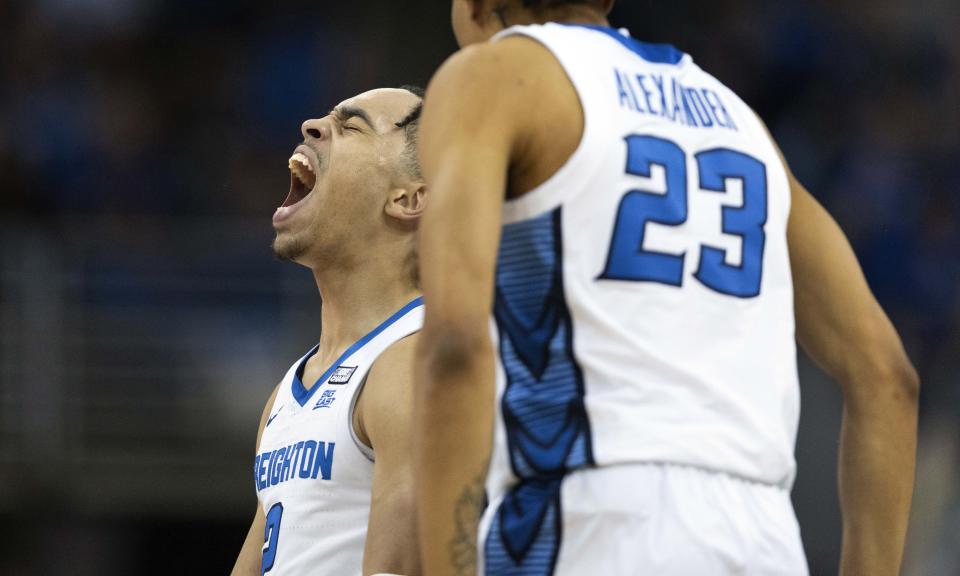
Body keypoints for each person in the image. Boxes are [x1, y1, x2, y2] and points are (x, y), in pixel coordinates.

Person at [413, 1, 919, 575]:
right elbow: (887, 376)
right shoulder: (741, 123)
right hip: (764, 536)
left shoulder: (491, 76)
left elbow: (455, 342)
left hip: (593, 519)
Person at [231, 86, 427, 576]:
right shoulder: (285, 394)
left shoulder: (417, 359)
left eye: (352, 125)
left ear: (408, 198)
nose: (312, 126)